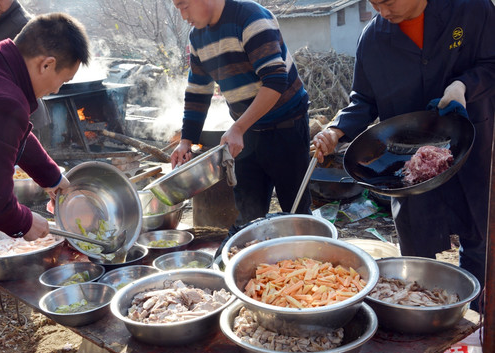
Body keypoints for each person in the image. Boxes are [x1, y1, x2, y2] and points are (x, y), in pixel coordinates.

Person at [313, 0, 495, 309]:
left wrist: (464, 85)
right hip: (406, 167)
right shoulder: (373, 39)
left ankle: (477, 324)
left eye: (387, 2)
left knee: (480, 244)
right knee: (417, 256)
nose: (382, 12)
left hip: (471, 152)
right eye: (374, 3)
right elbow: (363, 99)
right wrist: (335, 130)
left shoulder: (472, 10)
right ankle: (429, 323)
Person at [0, 13, 90, 353]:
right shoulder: (0, 98)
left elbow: (14, 134)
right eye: (63, 79)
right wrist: (28, 224)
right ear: (46, 64)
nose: (58, 90)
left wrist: (54, 178)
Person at [170, 0, 312, 228]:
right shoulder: (197, 37)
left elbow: (275, 81)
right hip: (247, 132)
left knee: (295, 212)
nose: (183, 15)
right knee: (249, 215)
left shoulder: (250, 18)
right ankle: (250, 258)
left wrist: (238, 128)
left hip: (287, 127)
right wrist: (186, 141)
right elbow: (198, 91)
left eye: (184, 6)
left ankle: (307, 260)